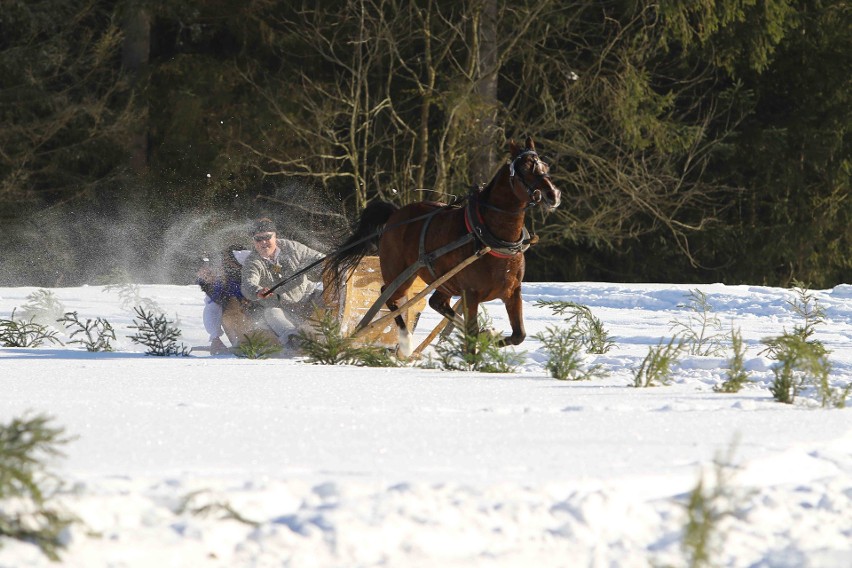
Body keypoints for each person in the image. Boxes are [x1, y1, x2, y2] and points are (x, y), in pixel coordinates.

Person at [241, 217, 325, 345]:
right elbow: (248, 283)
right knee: (271, 312)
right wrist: (257, 290)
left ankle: (341, 333)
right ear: (253, 241)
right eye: (258, 239)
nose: (263, 242)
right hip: (281, 307)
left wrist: (331, 264)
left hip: (307, 297)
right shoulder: (252, 261)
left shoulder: (294, 248)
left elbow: (320, 259)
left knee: (330, 297)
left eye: (268, 237)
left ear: (276, 237)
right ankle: (294, 339)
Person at [197, 244, 252, 354]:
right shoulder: (224, 279)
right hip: (240, 317)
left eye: (227, 261)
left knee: (232, 305)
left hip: (255, 314)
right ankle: (239, 343)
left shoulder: (249, 271)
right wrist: (208, 284)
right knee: (222, 306)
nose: (224, 265)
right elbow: (213, 303)